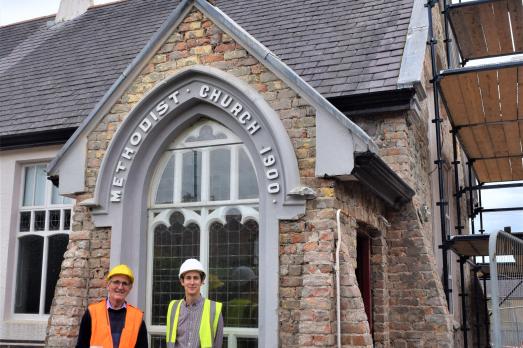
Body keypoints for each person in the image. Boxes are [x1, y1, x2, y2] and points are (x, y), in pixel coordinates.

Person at [76, 264, 148, 348]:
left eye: (125, 283)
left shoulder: (137, 317)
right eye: (116, 282)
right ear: (108, 285)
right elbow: (81, 345)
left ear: (130, 288)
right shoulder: (92, 313)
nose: (120, 287)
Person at [166, 259, 223, 348]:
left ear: (202, 281)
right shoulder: (173, 307)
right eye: (188, 278)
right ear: (182, 281)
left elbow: (218, 344)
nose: (192, 282)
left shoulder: (214, 309)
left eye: (196, 278)